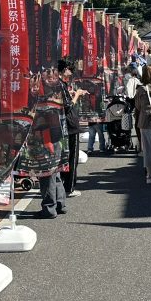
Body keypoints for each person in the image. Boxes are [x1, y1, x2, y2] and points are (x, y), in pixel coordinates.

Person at [57, 60, 87, 198]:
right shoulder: (60, 84)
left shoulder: (58, 84)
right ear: (64, 69)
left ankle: (64, 186)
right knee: (71, 158)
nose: (71, 72)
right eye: (70, 69)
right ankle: (69, 188)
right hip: (69, 125)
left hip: (63, 125)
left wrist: (73, 93)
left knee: (65, 157)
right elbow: (68, 106)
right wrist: (77, 95)